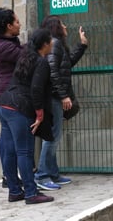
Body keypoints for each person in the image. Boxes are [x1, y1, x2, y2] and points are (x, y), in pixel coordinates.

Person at [0, 28, 55, 204]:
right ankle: (31, 193)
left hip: (4, 105)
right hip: (19, 109)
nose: (53, 43)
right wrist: (39, 114)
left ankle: (14, 191)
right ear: (45, 44)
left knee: (9, 151)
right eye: (51, 41)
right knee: (24, 152)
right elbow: (36, 88)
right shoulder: (41, 62)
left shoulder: (25, 57)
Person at [34, 15, 88, 190]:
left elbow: (67, 64)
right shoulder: (55, 44)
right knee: (53, 136)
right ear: (56, 27)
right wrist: (63, 95)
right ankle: (42, 175)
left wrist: (82, 45)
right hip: (53, 96)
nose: (65, 26)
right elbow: (53, 72)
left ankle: (53, 173)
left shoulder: (57, 44)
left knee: (54, 135)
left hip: (56, 95)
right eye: (62, 24)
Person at [0, 7, 25, 188]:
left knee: (6, 140)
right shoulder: (4, 47)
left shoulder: (4, 42)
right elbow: (25, 56)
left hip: (4, 97)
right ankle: (13, 182)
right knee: (14, 146)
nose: (20, 24)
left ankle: (8, 177)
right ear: (8, 26)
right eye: (17, 22)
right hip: (9, 98)